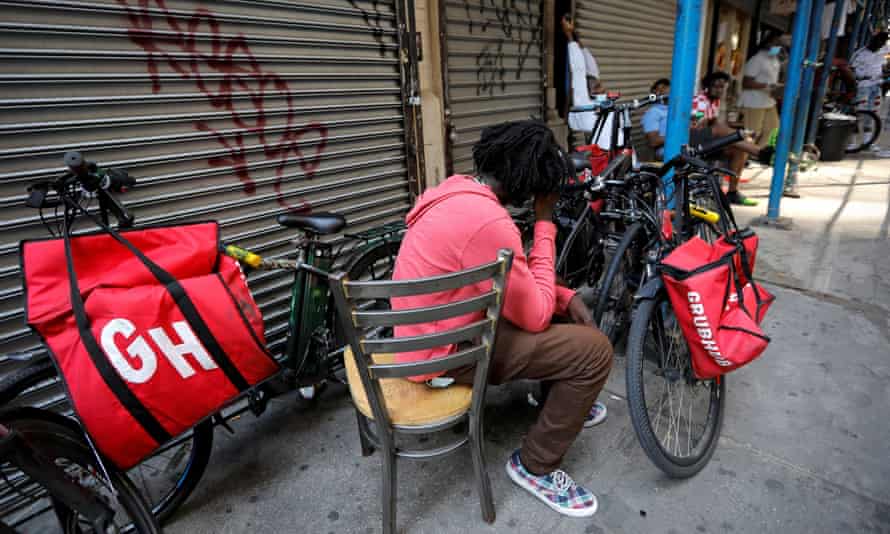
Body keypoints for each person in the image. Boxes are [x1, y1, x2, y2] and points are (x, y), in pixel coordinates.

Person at [391, 120, 613, 517]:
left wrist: (565, 295)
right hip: (441, 356)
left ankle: (555, 401)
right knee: (595, 352)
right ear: (529, 183)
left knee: (560, 304)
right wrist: (545, 222)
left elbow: (517, 281)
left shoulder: (455, 189)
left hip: (424, 334)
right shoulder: (491, 223)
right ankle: (536, 466)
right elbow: (536, 315)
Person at [641, 78, 771, 206]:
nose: (665, 92)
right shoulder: (653, 112)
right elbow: (653, 141)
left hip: (689, 142)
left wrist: (694, 124)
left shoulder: (675, 110)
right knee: (719, 129)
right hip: (673, 146)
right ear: (654, 93)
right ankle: (758, 152)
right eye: (660, 90)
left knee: (738, 149)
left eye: (668, 89)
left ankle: (732, 192)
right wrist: (680, 134)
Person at [562, 14, 622, 150]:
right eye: (598, 86)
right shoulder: (585, 103)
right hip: (609, 159)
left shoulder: (600, 105)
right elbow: (578, 70)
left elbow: (591, 66)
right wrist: (569, 36)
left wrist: (574, 36)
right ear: (591, 91)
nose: (604, 89)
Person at [739, 32, 783, 149]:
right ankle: (745, 155)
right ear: (768, 43)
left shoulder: (774, 59)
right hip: (754, 101)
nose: (779, 46)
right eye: (776, 44)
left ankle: (760, 152)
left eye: (780, 44)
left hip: (768, 100)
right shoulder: (757, 59)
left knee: (773, 127)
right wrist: (768, 85)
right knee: (752, 131)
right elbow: (746, 82)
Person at [850, 31, 889, 150]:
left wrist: (883, 74)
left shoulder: (883, 51)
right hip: (863, 87)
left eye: (883, 43)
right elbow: (851, 69)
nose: (881, 45)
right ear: (873, 40)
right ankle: (852, 142)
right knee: (859, 113)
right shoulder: (860, 54)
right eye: (879, 42)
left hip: (876, 87)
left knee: (873, 114)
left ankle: (868, 142)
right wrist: (862, 76)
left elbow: (883, 66)